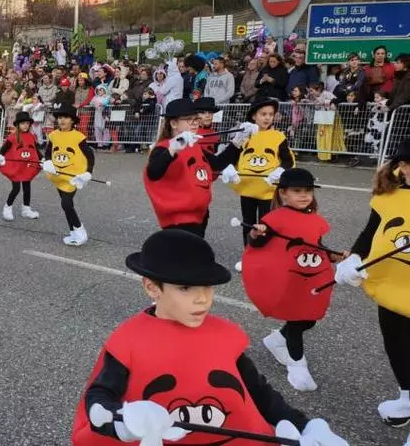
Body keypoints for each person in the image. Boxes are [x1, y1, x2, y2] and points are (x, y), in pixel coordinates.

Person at [71, 229, 349, 446]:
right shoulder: (129, 340)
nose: (202, 298)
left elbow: (259, 391)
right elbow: (100, 395)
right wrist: (120, 420)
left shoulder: (225, 336)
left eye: (207, 287)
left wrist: (304, 426)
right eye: (185, 288)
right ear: (152, 288)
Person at [333, 138, 410, 443]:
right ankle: (407, 395)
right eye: (406, 166)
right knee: (397, 345)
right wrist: (353, 257)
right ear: (400, 168)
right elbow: (370, 232)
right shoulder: (389, 197)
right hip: (391, 287)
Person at [242, 168, 345, 392]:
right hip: (288, 279)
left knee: (310, 318)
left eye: (308, 190)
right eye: (297, 191)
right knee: (298, 321)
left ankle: (277, 339)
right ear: (283, 194)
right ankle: (297, 365)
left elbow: (316, 246)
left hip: (310, 279)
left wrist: (333, 255)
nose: (304, 195)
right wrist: (256, 234)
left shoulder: (315, 219)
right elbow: (258, 244)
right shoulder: (273, 219)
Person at [143, 99, 248, 238]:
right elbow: (154, 172)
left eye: (195, 119)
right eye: (188, 119)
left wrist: (237, 142)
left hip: (199, 213)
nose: (194, 123)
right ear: (173, 123)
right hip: (179, 218)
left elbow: (216, 164)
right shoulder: (163, 147)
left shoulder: (194, 145)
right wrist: (172, 149)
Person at [220, 100, 295, 271]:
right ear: (254, 116)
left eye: (270, 114)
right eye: (263, 114)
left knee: (266, 224)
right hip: (247, 188)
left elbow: (288, 161)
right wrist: (229, 168)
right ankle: (249, 254)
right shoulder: (244, 135)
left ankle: (266, 255)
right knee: (247, 222)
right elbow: (231, 156)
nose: (267, 118)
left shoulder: (278, 137)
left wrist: (280, 171)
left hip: (268, 191)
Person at [41, 104, 94, 246]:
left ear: (72, 120)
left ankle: (79, 229)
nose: (62, 120)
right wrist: (47, 162)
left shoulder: (78, 137)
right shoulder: (53, 135)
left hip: (73, 177)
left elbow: (90, 155)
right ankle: (73, 232)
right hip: (58, 176)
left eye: (65, 117)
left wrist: (88, 172)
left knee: (66, 203)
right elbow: (48, 152)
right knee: (65, 205)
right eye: (59, 118)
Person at [0, 111, 41, 221]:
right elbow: (3, 149)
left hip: (27, 167)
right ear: (18, 125)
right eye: (22, 123)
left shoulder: (32, 137)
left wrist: (43, 159)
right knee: (16, 188)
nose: (25, 125)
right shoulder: (12, 137)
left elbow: (36, 150)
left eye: (27, 123)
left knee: (27, 188)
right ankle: (7, 207)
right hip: (15, 167)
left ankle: (26, 209)